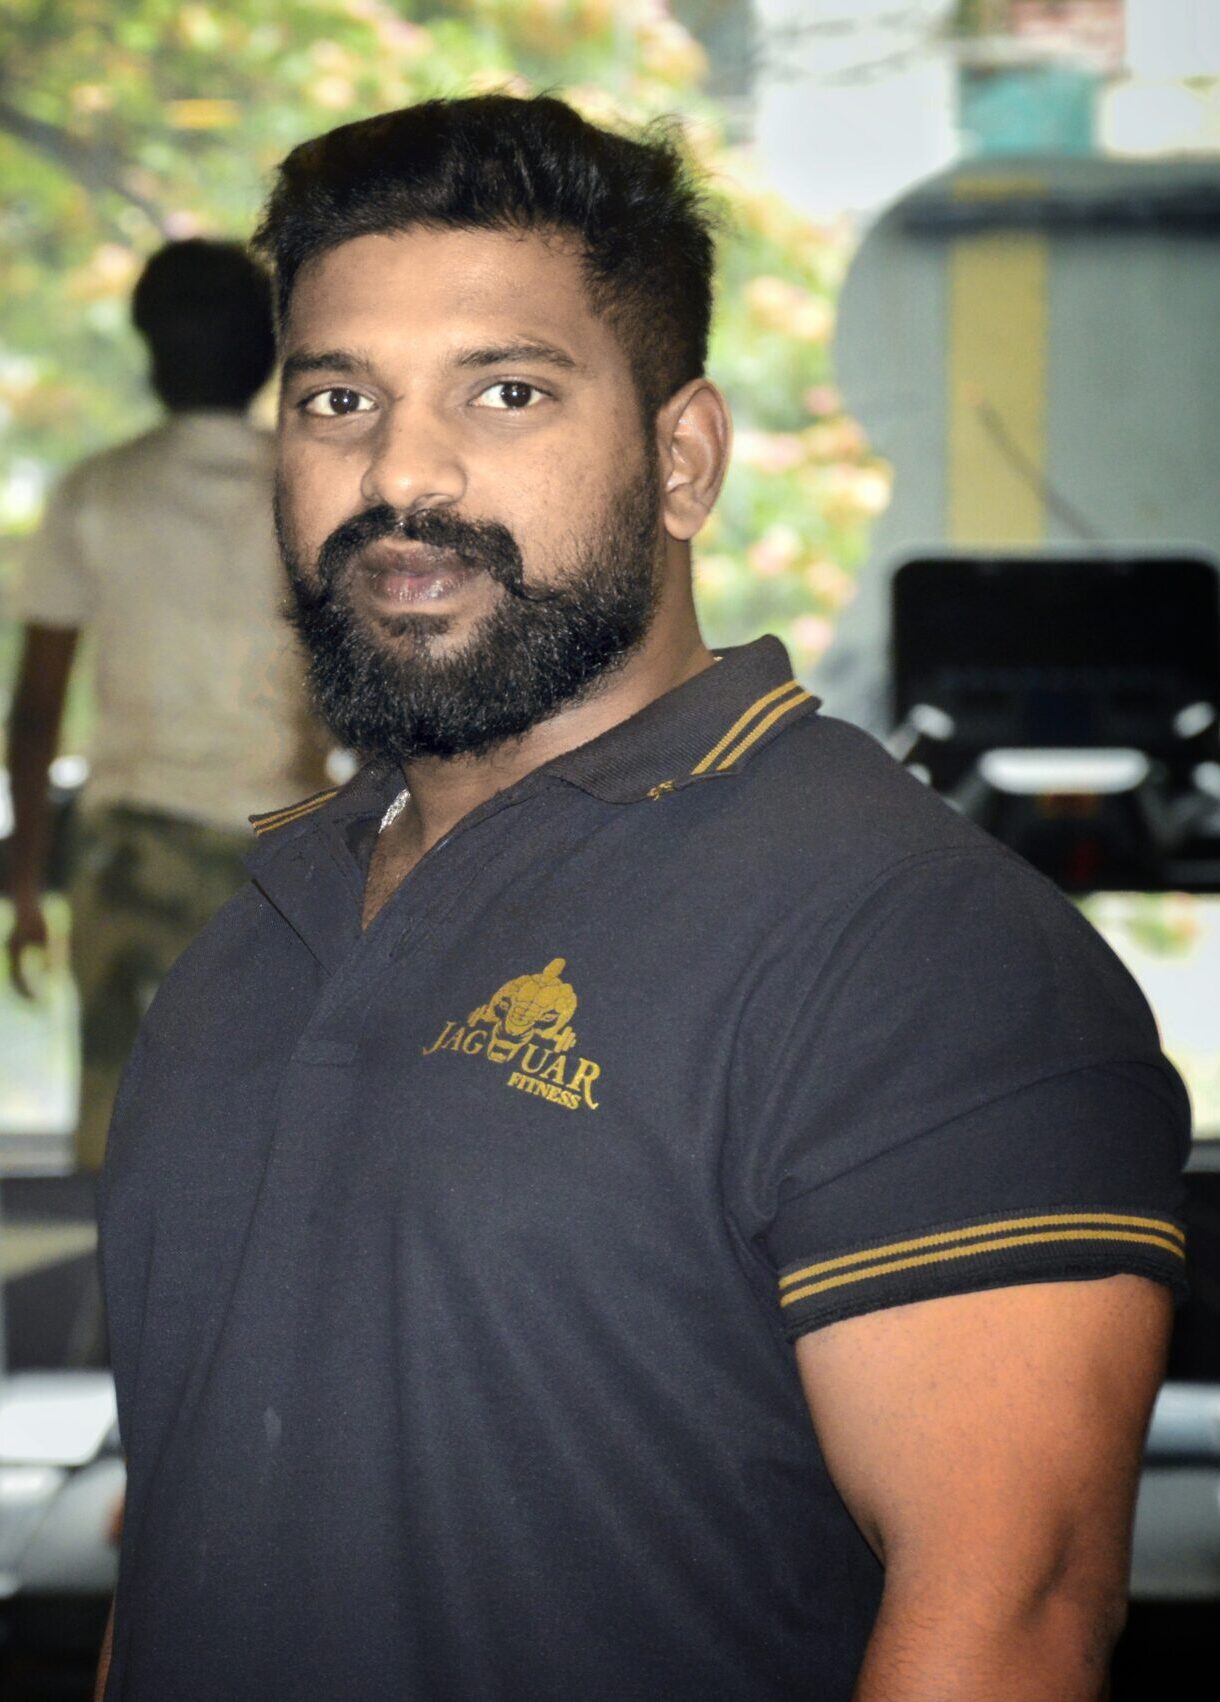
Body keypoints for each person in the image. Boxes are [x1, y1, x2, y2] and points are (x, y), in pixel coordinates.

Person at [96, 97, 1189, 1702]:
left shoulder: (919, 946)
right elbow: (179, 1545)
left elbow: (1005, 1618)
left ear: (684, 459)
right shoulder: (251, 935)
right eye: (339, 398)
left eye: (507, 391)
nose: (401, 470)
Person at [5, 239, 327, 1170]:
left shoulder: (97, 493)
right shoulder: (308, 493)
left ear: (148, 350)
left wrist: (26, 885)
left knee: (117, 1130)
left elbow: (36, 710)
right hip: (280, 852)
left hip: (126, 857)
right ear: (271, 351)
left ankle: (116, 1273)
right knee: (267, 1137)